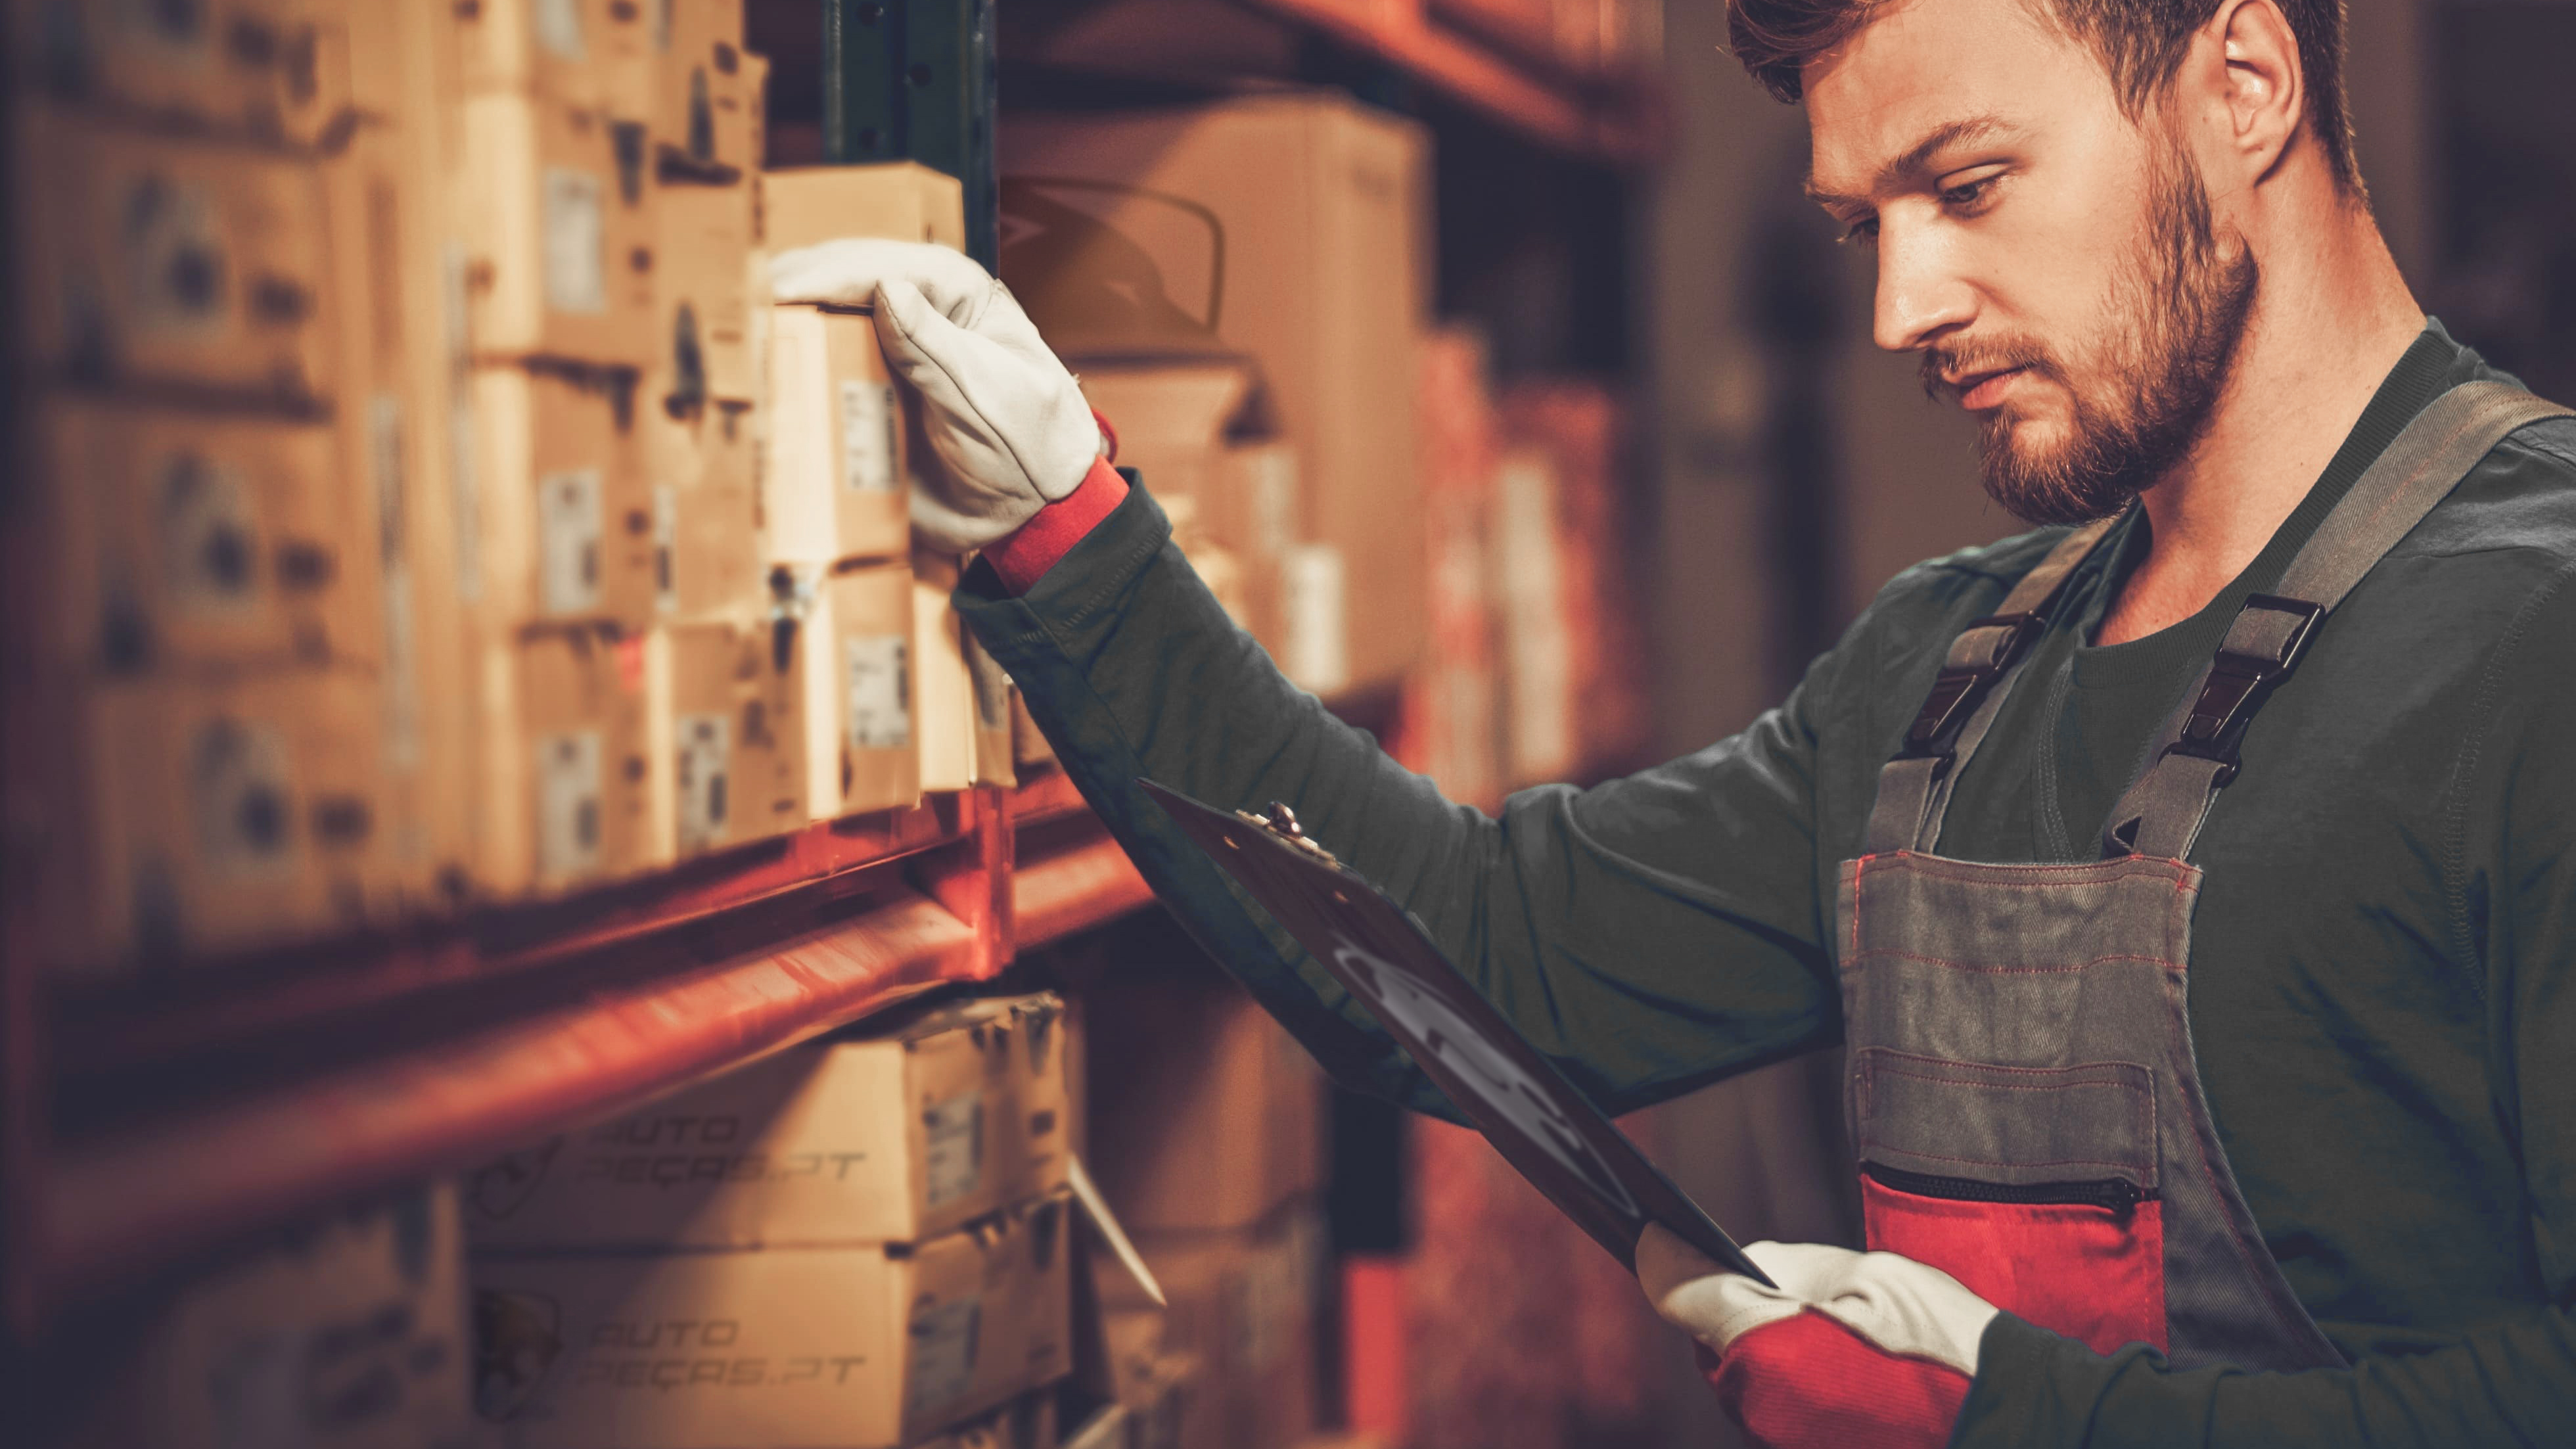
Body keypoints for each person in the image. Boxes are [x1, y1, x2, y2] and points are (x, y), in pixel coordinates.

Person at [767, 0, 2576, 1438]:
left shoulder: (2533, 640)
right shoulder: (1948, 680)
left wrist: (2009, 1420)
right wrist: (1073, 536)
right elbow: (1467, 959)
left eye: (1972, 185)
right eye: (1868, 223)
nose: (1899, 304)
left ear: (2244, 82)